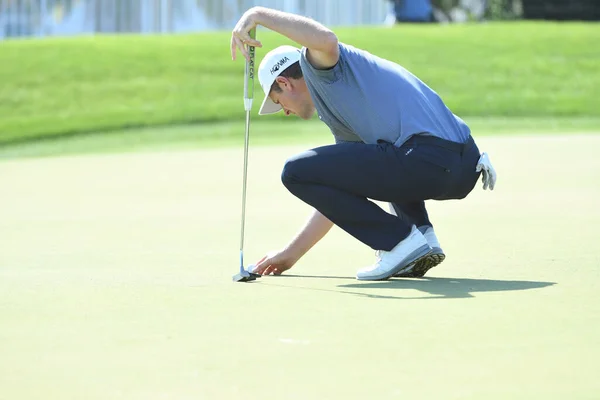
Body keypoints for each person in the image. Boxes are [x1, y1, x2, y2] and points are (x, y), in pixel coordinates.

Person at [230, 6, 497, 281]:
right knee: (381, 152)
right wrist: (291, 254)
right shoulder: (341, 112)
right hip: (463, 168)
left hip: (431, 158)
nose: (284, 111)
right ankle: (422, 237)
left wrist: (257, 14)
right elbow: (339, 193)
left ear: (284, 83)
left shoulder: (318, 67)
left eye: (278, 102)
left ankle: (398, 243)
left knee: (294, 171)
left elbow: (326, 40)